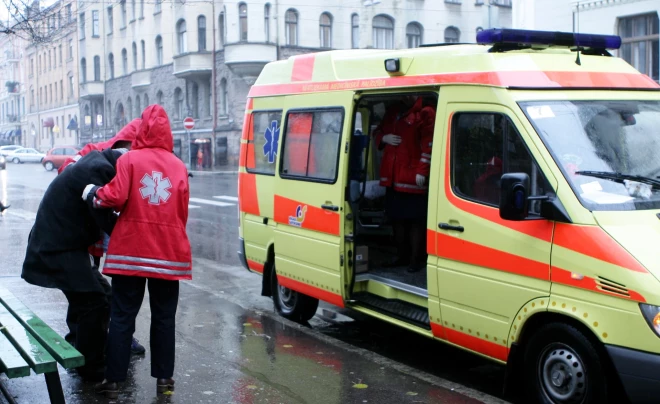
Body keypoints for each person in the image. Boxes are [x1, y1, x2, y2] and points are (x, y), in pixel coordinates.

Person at [86, 104, 191, 398]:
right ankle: (164, 380)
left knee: (122, 317)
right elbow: (182, 213)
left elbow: (114, 197)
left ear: (142, 129)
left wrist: (94, 195)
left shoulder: (130, 160)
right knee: (164, 317)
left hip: (130, 251)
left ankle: (114, 380)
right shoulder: (178, 165)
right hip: (168, 255)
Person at [21, 145, 128, 382]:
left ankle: (81, 347)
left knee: (100, 294)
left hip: (61, 243)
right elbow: (104, 216)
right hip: (58, 247)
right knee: (94, 301)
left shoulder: (97, 165)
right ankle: (91, 367)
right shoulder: (98, 171)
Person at [60, 119, 147, 356]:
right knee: (86, 290)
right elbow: (67, 173)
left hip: (119, 234)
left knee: (121, 293)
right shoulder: (94, 152)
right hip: (91, 235)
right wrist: (96, 189)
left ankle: (121, 336)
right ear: (125, 141)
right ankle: (77, 337)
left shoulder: (138, 161)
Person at [373, 96, 435, 273]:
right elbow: (377, 131)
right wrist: (383, 138)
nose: (406, 97)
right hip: (393, 177)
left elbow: (428, 145)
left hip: (412, 177)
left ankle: (415, 259)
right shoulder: (392, 111)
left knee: (415, 221)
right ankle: (402, 256)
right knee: (397, 219)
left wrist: (422, 171)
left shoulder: (425, 112)